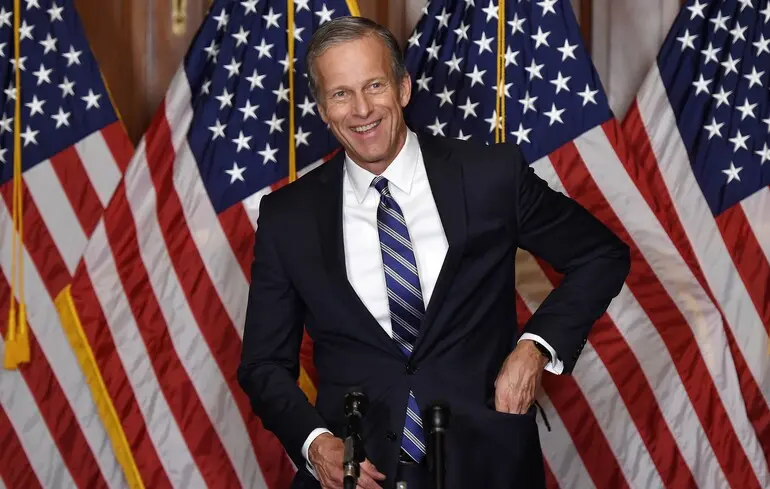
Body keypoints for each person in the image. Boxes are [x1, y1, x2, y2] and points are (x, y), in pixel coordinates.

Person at [237, 16, 630, 489]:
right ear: (323, 109)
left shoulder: (488, 176)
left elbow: (601, 255)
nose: (361, 109)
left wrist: (534, 350)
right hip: (358, 474)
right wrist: (316, 443)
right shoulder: (288, 217)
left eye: (375, 85)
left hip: (486, 464)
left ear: (403, 88)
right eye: (341, 94)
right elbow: (263, 364)